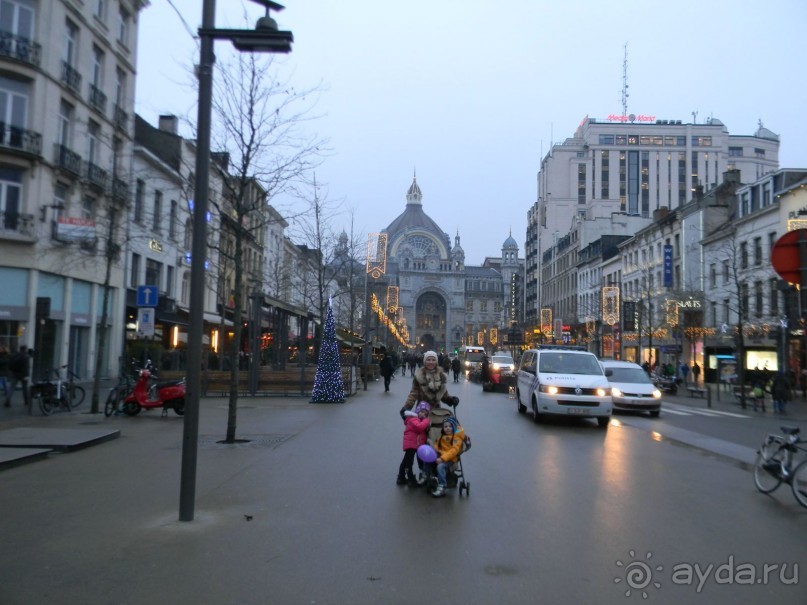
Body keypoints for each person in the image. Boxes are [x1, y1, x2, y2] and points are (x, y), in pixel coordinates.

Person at [399, 350, 459, 417]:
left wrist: (451, 400)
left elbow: (444, 395)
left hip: (436, 413)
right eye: (428, 360)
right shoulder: (419, 376)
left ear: (436, 362)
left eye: (433, 360)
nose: (431, 362)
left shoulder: (441, 376)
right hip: (422, 412)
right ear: (425, 361)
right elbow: (413, 394)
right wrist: (407, 407)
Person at [396, 401, 430, 486]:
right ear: (417, 411)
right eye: (422, 412)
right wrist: (427, 420)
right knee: (409, 462)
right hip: (411, 443)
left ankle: (401, 477)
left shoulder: (418, 420)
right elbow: (419, 427)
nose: (423, 415)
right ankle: (411, 479)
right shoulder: (413, 419)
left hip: (415, 443)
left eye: (425, 414)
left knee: (406, 460)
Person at [430, 416, 465, 498]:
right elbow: (437, 445)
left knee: (440, 466)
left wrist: (442, 459)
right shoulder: (442, 436)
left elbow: (453, 451)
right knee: (427, 461)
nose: (448, 428)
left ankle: (442, 486)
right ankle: (427, 476)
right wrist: (433, 450)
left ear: (454, 428)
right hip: (440, 456)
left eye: (450, 426)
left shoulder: (456, 438)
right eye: (445, 427)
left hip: (450, 459)